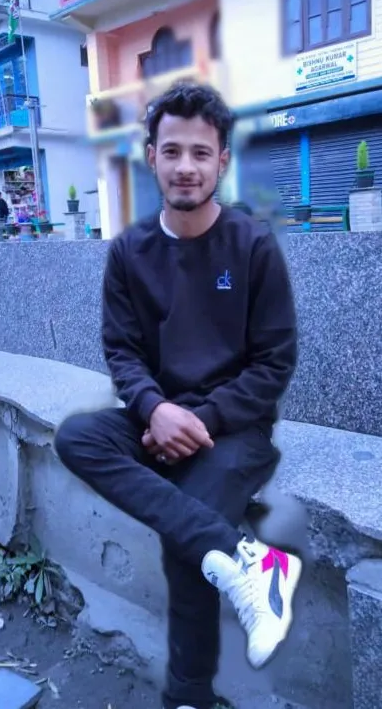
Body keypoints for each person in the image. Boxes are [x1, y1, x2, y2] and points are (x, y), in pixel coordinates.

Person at [55, 83, 302, 709]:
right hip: (154, 420)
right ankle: (250, 558)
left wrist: (199, 417)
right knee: (76, 436)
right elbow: (123, 352)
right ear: (151, 156)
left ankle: (187, 696)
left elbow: (274, 365)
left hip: (236, 432)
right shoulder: (129, 253)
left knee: (185, 535)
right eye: (172, 151)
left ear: (222, 160)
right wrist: (154, 408)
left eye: (200, 152)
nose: (185, 166)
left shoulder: (253, 246)